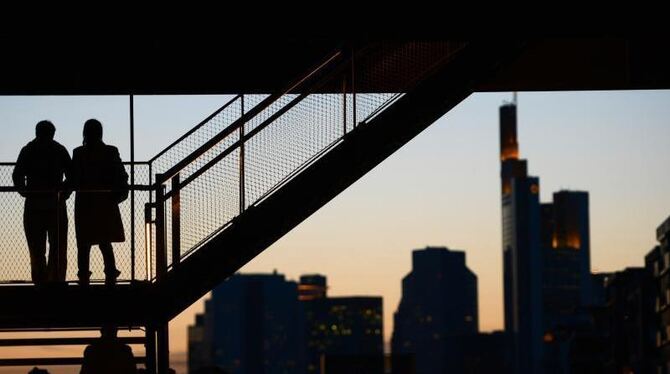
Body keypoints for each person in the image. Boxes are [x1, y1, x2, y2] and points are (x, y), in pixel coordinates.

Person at [70, 119, 128, 286]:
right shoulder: (110, 151)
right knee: (104, 239)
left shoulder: (79, 153)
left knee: (83, 241)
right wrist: (119, 193)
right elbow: (120, 173)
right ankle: (110, 272)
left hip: (84, 201)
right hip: (105, 201)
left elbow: (73, 177)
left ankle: (83, 275)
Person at [12, 120, 71, 284]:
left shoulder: (28, 150)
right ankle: (56, 280)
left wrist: (25, 192)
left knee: (36, 248)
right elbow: (72, 175)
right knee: (58, 247)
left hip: (34, 204)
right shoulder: (59, 150)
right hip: (55, 204)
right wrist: (64, 193)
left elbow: (17, 174)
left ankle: (40, 281)